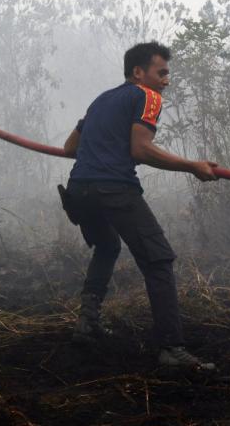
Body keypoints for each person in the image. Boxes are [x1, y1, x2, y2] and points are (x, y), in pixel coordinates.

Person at [60, 42, 218, 369]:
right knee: (158, 259)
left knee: (106, 246)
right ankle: (171, 348)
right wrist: (193, 166)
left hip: (79, 190)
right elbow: (141, 150)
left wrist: (102, 145)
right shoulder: (146, 96)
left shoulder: (101, 100)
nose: (166, 80)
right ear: (138, 72)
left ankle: (86, 323)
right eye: (161, 72)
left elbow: (69, 147)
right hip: (113, 187)